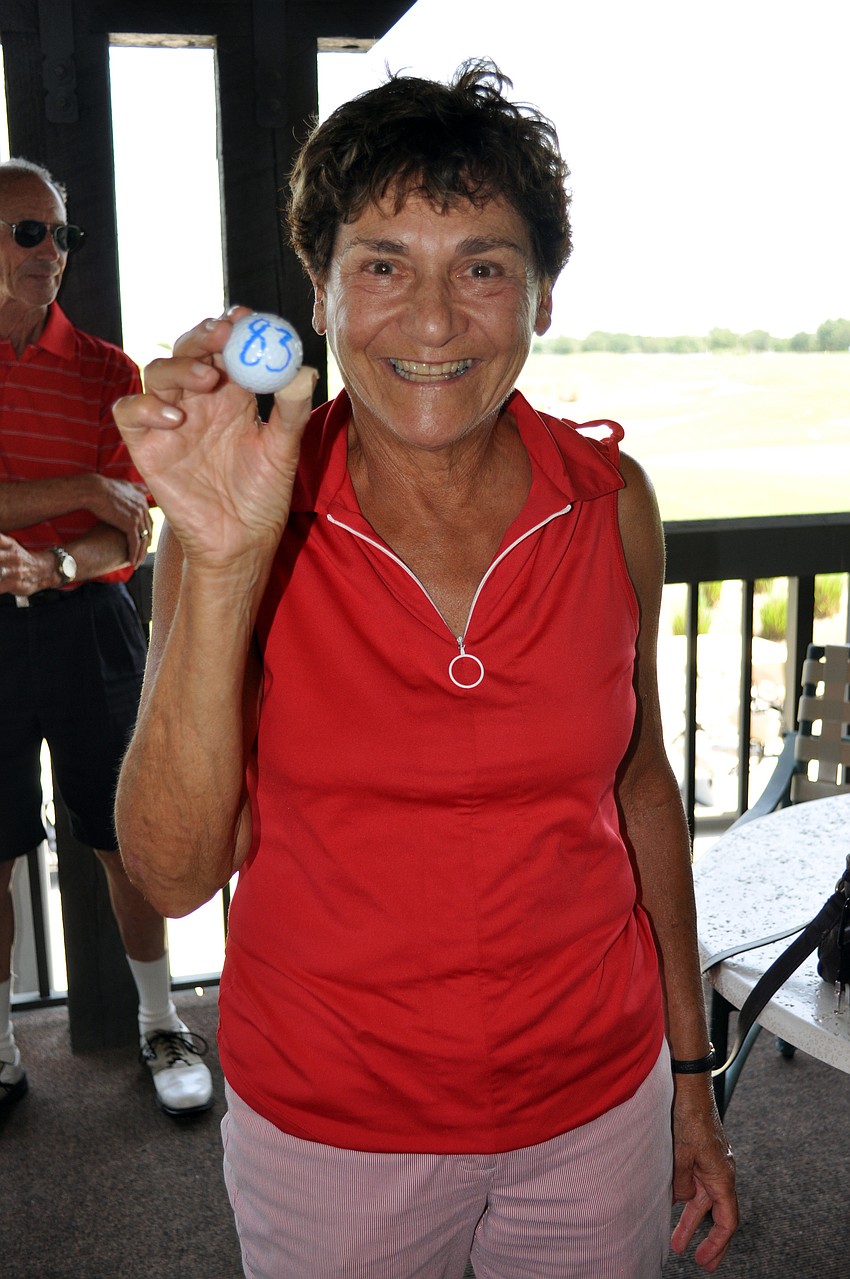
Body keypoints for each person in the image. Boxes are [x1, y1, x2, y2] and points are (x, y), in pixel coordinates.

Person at [113, 61, 737, 1276]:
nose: (437, 319)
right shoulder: (243, 517)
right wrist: (227, 559)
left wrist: (689, 1076)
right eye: (384, 264)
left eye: (484, 267)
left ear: (541, 298)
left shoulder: (611, 502)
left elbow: (639, 787)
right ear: (323, 293)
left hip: (593, 1105)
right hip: (335, 1128)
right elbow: (175, 872)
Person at [0, 158, 212, 1118]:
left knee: (129, 839)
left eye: (60, 233)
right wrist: (84, 488)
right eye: (28, 231)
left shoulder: (107, 372)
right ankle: (0, 1049)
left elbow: (134, 525)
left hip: (90, 621)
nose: (51, 251)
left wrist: (59, 564)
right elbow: (106, 496)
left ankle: (160, 1021)